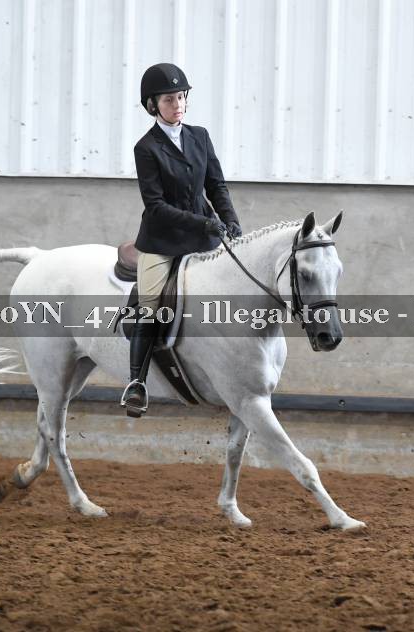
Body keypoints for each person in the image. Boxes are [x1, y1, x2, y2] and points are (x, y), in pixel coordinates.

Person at [121, 62, 242, 417]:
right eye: (168, 99)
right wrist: (203, 224)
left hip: (204, 236)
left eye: (180, 97)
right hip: (162, 241)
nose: (178, 105)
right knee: (150, 305)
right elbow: (156, 206)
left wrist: (231, 220)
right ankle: (136, 382)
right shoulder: (146, 148)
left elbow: (216, 186)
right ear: (152, 105)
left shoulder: (200, 136)